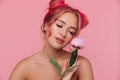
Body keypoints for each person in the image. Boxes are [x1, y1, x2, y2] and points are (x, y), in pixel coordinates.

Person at [9, 0, 94, 80]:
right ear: (46, 25)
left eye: (71, 32)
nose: (63, 33)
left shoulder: (81, 65)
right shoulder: (25, 67)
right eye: (59, 25)